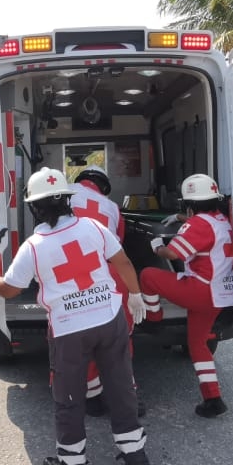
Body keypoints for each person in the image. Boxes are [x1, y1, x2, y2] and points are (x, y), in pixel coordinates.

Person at [0, 167, 150, 465]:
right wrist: (136, 296)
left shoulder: (33, 246)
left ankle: (72, 464)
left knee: (69, 396)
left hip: (69, 329)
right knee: (121, 385)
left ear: (34, 207)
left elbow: (7, 289)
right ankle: (135, 454)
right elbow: (123, 262)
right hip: (109, 319)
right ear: (68, 200)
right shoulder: (93, 227)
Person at [138, 174, 233, 418]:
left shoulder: (198, 225)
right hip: (221, 295)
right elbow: (204, 231)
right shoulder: (222, 219)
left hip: (200, 290)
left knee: (148, 275)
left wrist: (156, 245)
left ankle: (153, 319)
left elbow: (174, 255)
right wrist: (183, 220)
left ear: (188, 202)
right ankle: (213, 398)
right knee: (197, 344)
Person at [69, 166, 143, 418]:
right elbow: (117, 249)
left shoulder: (62, 194)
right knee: (120, 340)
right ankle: (127, 396)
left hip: (72, 279)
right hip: (109, 275)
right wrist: (134, 291)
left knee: (84, 339)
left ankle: (92, 398)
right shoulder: (111, 208)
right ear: (103, 185)